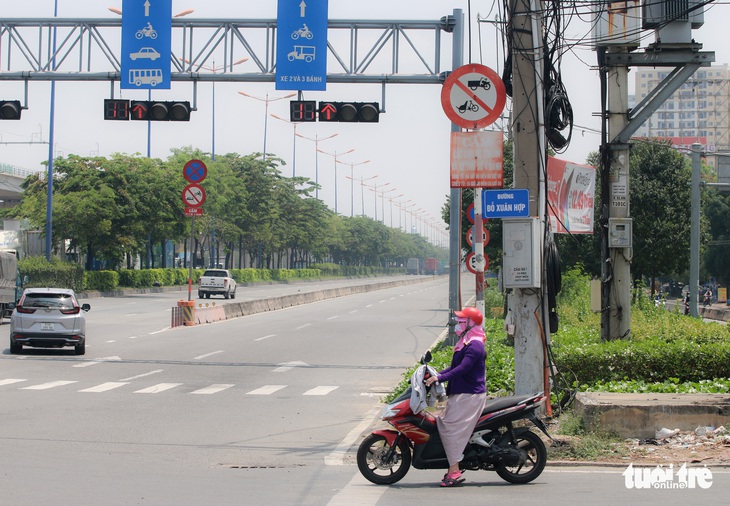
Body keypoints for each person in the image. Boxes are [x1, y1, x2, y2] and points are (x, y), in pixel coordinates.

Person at [425, 306, 486, 487]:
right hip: (460, 392)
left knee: (448, 426)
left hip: (469, 395)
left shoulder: (475, 344)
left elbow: (463, 369)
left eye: (461, 321)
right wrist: (433, 375)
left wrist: (441, 378)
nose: (458, 324)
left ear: (471, 323)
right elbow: (454, 367)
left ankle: (454, 471)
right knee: (437, 415)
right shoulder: (466, 341)